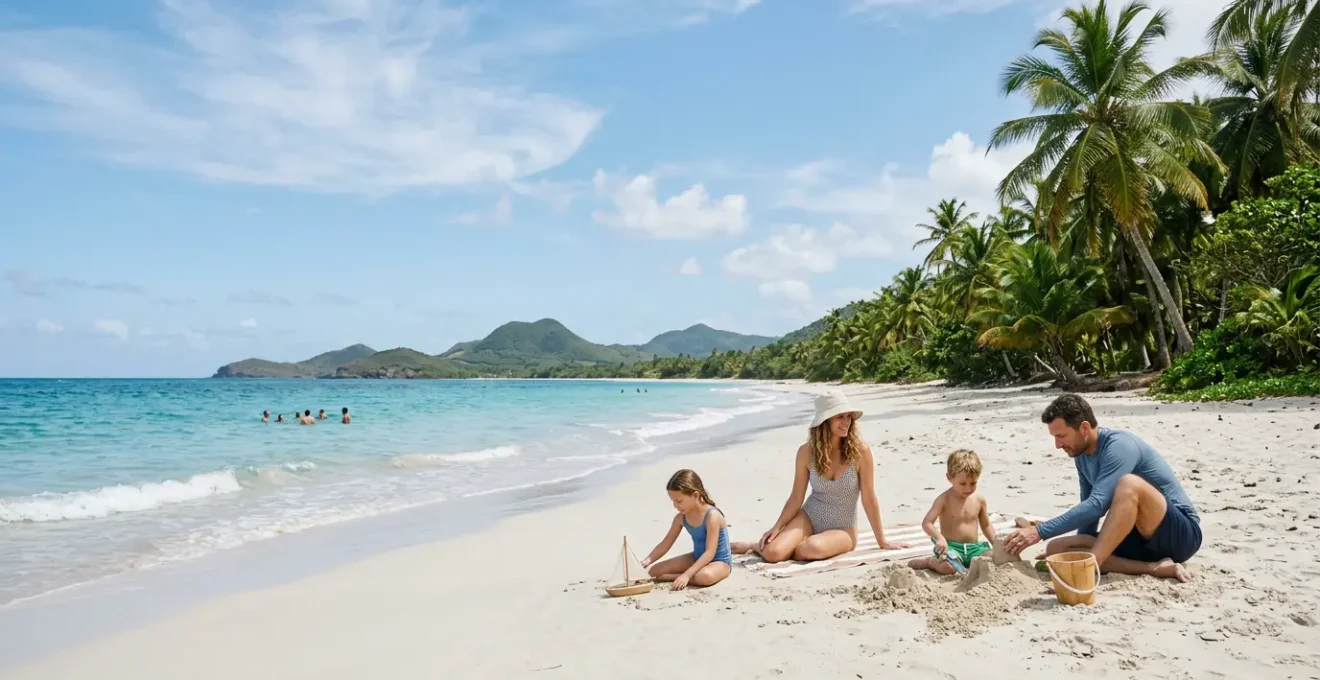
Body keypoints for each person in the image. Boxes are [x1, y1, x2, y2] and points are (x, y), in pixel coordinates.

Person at [1002, 394, 1200, 582]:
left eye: (1061, 436)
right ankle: (1154, 567)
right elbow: (1089, 510)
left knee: (1129, 483)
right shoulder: (1080, 455)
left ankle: (1087, 571)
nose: (1057, 445)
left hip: (1180, 535)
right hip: (1138, 540)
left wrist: (1039, 531)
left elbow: (1098, 505)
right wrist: (1074, 550)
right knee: (1057, 549)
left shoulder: (1119, 446)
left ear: (1084, 428)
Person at [731, 390, 907, 563]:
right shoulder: (806, 452)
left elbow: (869, 497)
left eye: (848, 416)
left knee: (808, 549)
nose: (846, 422)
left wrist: (882, 541)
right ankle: (755, 546)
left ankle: (795, 544)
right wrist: (776, 527)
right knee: (774, 553)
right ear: (825, 421)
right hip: (809, 516)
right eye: (840, 417)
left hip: (843, 527)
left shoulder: (860, 452)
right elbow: (796, 497)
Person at [640, 470, 732, 591]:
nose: (675, 506)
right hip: (697, 557)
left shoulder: (712, 516)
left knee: (703, 576)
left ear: (695, 495)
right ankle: (684, 575)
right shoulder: (681, 518)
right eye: (673, 501)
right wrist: (646, 561)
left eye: (679, 501)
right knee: (654, 571)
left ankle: (677, 577)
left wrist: (686, 575)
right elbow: (665, 544)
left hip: (719, 562)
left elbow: (710, 553)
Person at [908, 449, 996, 575]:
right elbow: (927, 523)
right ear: (949, 477)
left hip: (974, 548)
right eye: (962, 483)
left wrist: (996, 543)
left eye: (973, 483)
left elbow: (986, 525)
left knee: (992, 558)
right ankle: (929, 562)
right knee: (948, 567)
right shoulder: (944, 499)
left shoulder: (979, 500)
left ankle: (968, 562)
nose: (968, 488)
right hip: (951, 548)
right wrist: (939, 538)